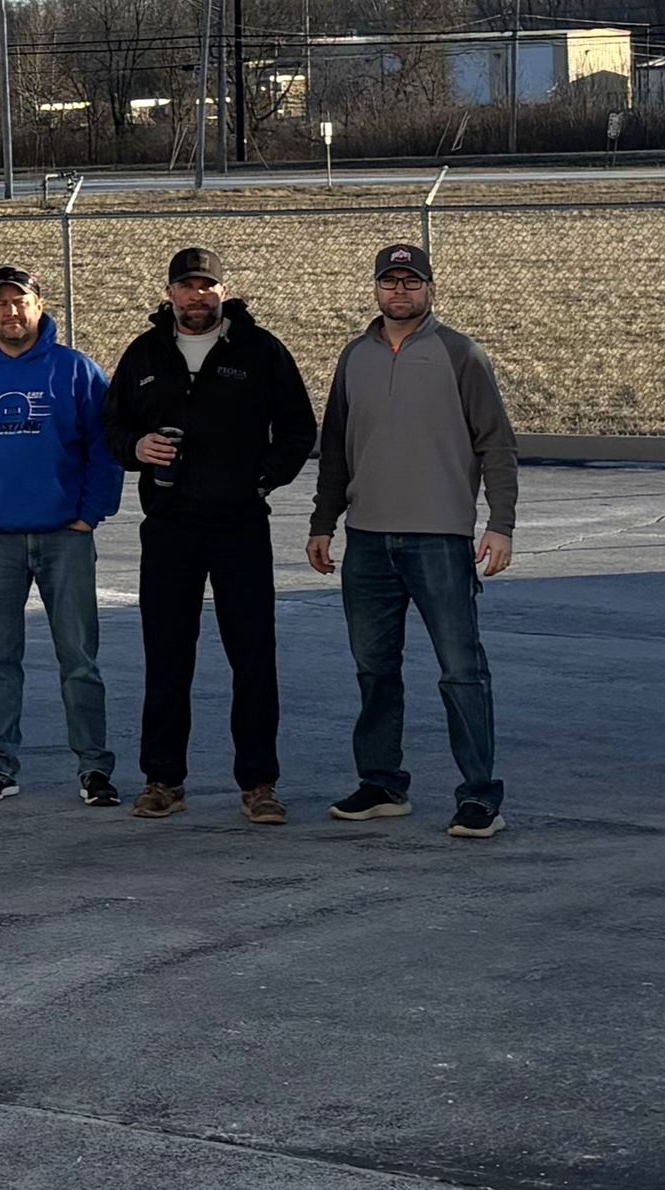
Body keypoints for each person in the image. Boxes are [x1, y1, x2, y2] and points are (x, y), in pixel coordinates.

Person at [307, 240, 518, 838]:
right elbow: (335, 452)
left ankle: (480, 796)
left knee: (460, 671)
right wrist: (323, 523)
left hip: (439, 539)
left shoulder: (460, 354)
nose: (400, 292)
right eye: (390, 282)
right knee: (374, 669)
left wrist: (500, 522)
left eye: (411, 282)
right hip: (367, 540)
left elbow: (496, 444)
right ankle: (381, 784)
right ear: (376, 288)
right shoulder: (354, 357)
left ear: (430, 289)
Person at [104, 245, 318, 824]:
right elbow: (112, 424)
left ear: (224, 292)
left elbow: (299, 426)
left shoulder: (260, 350)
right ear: (169, 292)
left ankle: (259, 783)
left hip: (239, 526)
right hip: (170, 526)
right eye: (186, 287)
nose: (196, 297)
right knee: (167, 656)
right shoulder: (145, 352)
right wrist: (136, 449)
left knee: (252, 657)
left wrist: (263, 479)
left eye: (206, 287)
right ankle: (163, 780)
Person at [0, 265, 124, 804]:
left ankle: (94, 768)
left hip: (64, 538)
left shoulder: (75, 370)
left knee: (78, 658)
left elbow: (105, 451)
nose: (11, 312)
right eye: (1, 303)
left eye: (21, 302)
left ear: (40, 305)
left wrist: (89, 514)